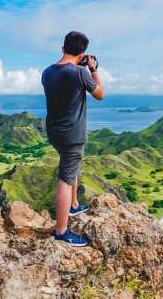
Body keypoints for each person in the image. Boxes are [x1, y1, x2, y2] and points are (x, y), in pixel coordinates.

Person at [41, 31, 104, 247]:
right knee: (66, 179)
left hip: (54, 131)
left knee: (71, 167)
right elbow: (100, 94)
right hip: (72, 134)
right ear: (83, 53)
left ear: (62, 48)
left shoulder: (47, 72)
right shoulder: (79, 72)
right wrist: (93, 69)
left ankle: (74, 204)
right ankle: (61, 231)